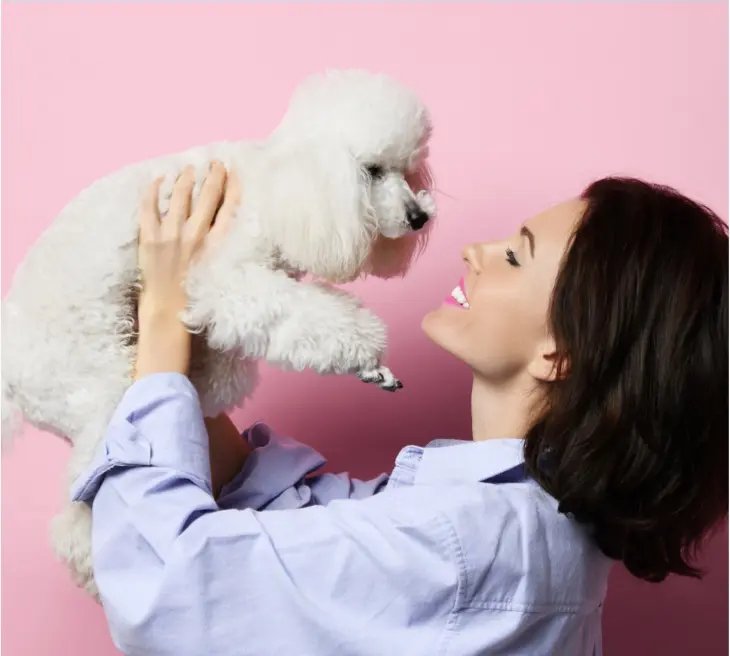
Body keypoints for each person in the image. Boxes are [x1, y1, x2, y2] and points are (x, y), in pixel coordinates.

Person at [71, 160, 728, 655]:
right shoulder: (516, 523)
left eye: (514, 256)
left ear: (560, 353)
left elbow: (165, 588)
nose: (475, 252)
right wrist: (179, 352)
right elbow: (308, 524)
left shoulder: (463, 544)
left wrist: (164, 312)